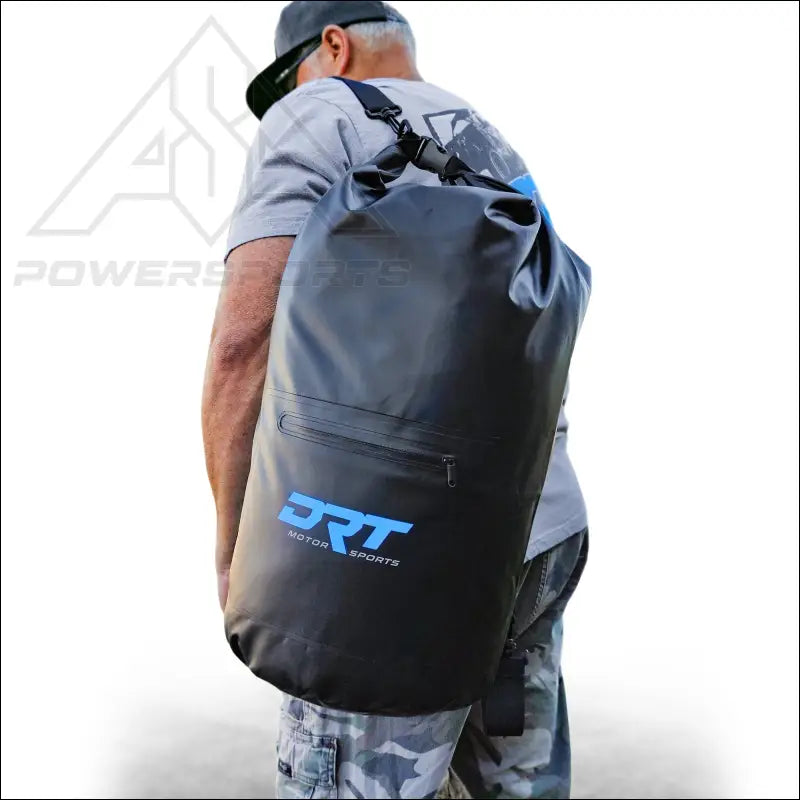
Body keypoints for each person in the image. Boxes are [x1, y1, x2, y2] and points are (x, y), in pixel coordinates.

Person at [202, 2, 588, 797]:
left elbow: (244, 343)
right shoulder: (485, 139)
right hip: (540, 528)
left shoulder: (317, 113)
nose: (286, 100)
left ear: (332, 47)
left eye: (288, 78)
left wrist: (234, 544)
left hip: (383, 565)